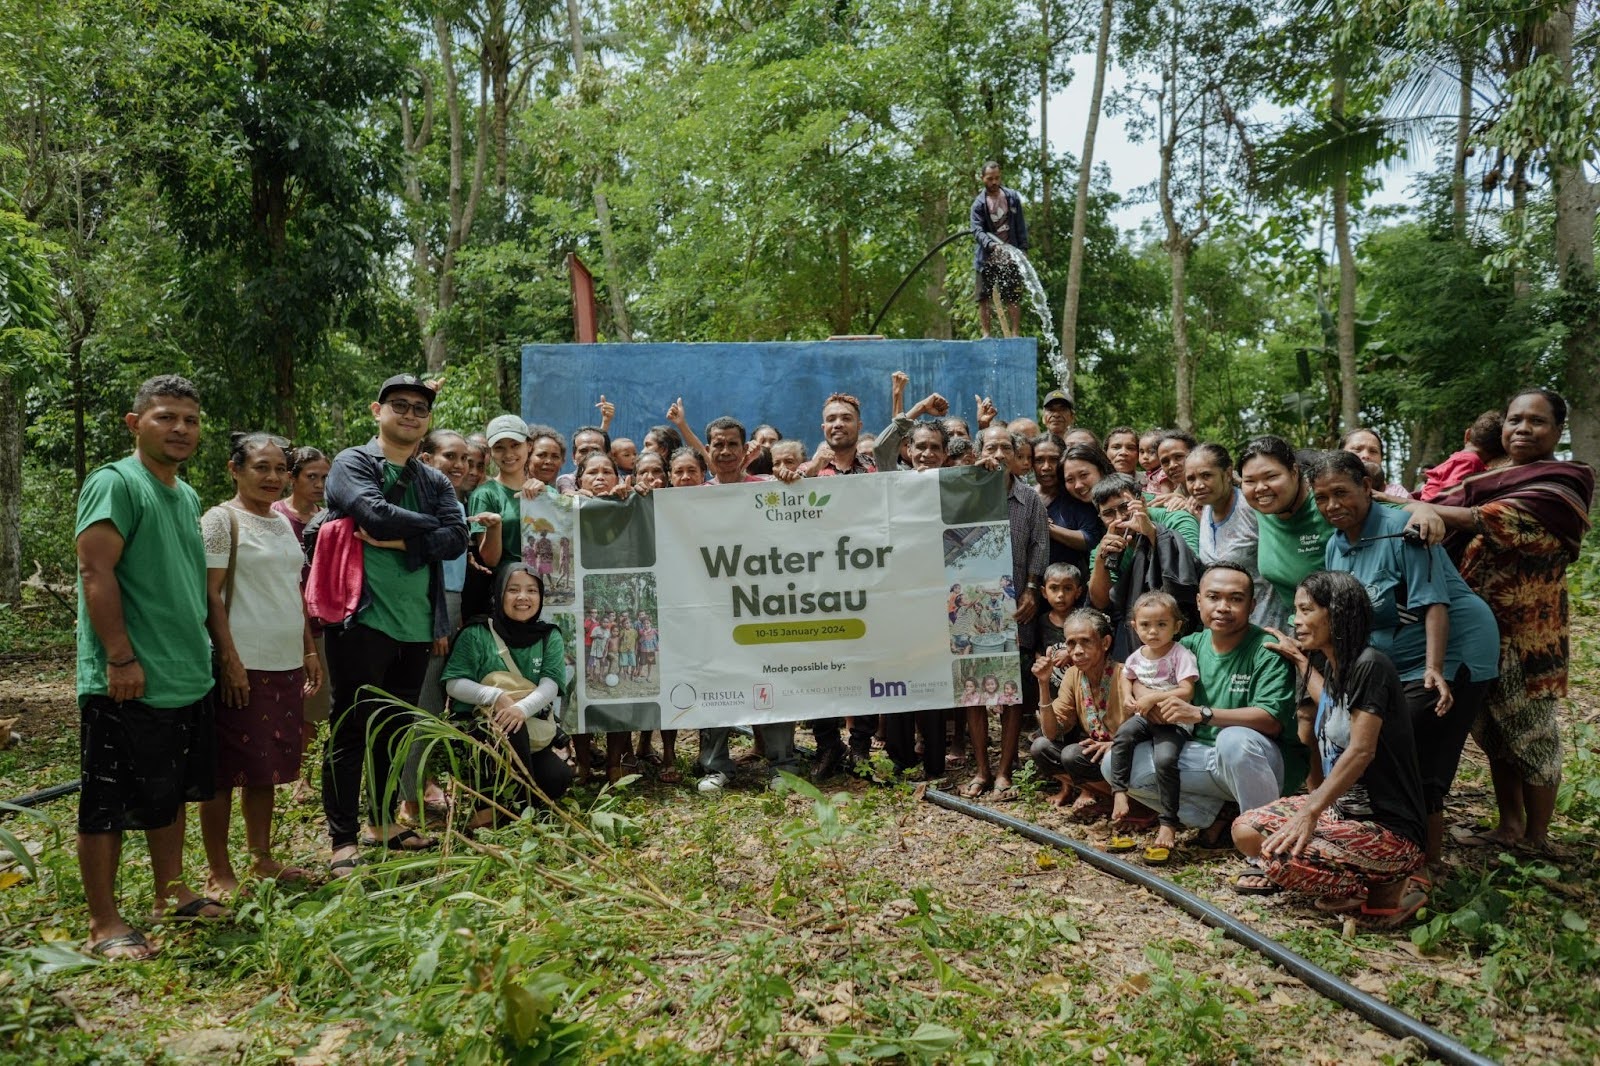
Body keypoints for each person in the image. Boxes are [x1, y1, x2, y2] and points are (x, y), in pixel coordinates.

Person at [74, 375, 222, 958]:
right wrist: (120, 656)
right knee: (107, 798)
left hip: (185, 670)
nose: (180, 428)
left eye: (189, 419)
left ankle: (172, 893)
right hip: (127, 674)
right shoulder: (116, 483)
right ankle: (104, 923)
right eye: (165, 417)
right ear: (136, 424)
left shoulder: (183, 493)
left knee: (173, 789)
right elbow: (95, 572)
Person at [1306, 448, 1499, 868]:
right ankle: (1386, 852)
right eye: (1321, 497)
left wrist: (1433, 667)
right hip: (1392, 660)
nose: (1332, 505)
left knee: (1412, 744)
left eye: (1341, 492)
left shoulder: (1404, 528)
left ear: (1367, 487)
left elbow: (1434, 603)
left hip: (1453, 652)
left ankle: (1423, 866)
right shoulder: (1336, 545)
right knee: (1378, 740)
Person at [1430, 388, 1594, 854]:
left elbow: (1490, 520)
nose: (1522, 429)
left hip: (1527, 637)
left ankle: (1539, 839)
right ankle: (1509, 825)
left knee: (1534, 737)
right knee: (1494, 734)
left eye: (1536, 421)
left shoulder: (1560, 486)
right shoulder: (1494, 474)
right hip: (1476, 633)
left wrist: (1412, 507)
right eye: (1514, 419)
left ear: (1558, 430)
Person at [321, 374, 468, 877]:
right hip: (360, 617)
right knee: (351, 728)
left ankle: (382, 823)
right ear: (376, 410)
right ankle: (342, 839)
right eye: (399, 405)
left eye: (419, 409)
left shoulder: (434, 479)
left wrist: (405, 541)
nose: (409, 414)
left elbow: (458, 539)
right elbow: (373, 515)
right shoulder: (353, 463)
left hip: (416, 623)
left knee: (395, 729)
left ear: (428, 422)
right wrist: (431, 528)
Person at [1233, 571, 1428, 926]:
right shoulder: (1340, 665)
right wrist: (1302, 661)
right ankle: (1356, 887)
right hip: (1342, 815)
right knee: (1246, 830)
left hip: (1388, 830)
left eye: (1306, 610)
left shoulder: (1372, 665)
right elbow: (1334, 712)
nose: (1296, 620)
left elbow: (1361, 750)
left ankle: (1389, 886)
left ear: (1336, 612)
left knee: (1278, 860)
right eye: (1296, 611)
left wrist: (1309, 811)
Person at [199, 433, 322, 896]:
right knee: (225, 770)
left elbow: (293, 589)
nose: (272, 478)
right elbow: (210, 594)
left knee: (264, 764)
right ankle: (219, 870)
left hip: (284, 661)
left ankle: (261, 857)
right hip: (242, 661)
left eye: (279, 470)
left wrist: (308, 649)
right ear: (235, 469)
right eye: (261, 468)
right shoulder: (220, 520)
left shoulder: (281, 523)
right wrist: (229, 659)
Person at [1108, 564, 1304, 854]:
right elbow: (1139, 674)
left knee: (1234, 739)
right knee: (1113, 762)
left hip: (1259, 762)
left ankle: (1263, 840)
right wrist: (1147, 698)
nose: (1222, 607)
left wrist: (1201, 713)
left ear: (1253, 605)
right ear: (1199, 601)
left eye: (1235, 599)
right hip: (1200, 755)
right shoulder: (1186, 645)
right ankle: (1213, 814)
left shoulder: (1266, 648)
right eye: (1213, 597)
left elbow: (1271, 721)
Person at [400, 428, 487, 827]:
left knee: (435, 706)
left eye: (464, 459)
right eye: (449, 456)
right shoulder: (417, 498)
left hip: (451, 606)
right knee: (424, 708)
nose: (459, 465)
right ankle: (410, 804)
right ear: (425, 457)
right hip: (430, 607)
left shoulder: (451, 499)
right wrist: (438, 622)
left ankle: (420, 788)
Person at [441, 564, 573, 825]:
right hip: (479, 733)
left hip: (528, 728)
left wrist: (520, 709)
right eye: (513, 590)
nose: (523, 597)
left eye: (531, 590)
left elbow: (550, 686)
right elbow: (453, 684)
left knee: (557, 776)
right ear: (499, 594)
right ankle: (513, 811)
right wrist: (495, 696)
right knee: (508, 723)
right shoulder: (476, 633)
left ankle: (506, 807)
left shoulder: (548, 636)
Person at [960, 425, 1049, 801]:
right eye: (990, 446)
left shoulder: (1030, 499)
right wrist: (974, 483)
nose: (997, 453)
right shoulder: (963, 492)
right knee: (975, 691)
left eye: (1004, 447)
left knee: (1011, 691)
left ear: (1016, 456)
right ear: (979, 451)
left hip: (1014, 606)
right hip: (973, 606)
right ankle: (981, 769)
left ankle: (1005, 770)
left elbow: (1039, 546)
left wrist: (1031, 589)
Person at [1105, 592, 1200, 863]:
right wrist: (1127, 697)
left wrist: (1153, 698)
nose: (1153, 631)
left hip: (1174, 721)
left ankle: (1168, 821)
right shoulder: (1137, 656)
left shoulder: (1180, 654)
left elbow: (1187, 690)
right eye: (1145, 625)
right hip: (1145, 718)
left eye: (1161, 624)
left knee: (1166, 759)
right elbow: (1127, 676)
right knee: (1122, 736)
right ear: (1135, 626)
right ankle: (1119, 793)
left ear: (1177, 626)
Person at [1086, 474, 1200, 662]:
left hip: (1184, 622)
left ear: (1141, 501)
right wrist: (1101, 559)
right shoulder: (1106, 545)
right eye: (1108, 514)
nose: (1120, 518)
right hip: (1140, 631)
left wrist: (1152, 533)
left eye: (1125, 507)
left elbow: (1192, 568)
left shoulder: (1176, 518)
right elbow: (1100, 601)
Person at [273, 446, 331, 802]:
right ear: (291, 477)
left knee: (313, 703)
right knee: (285, 702)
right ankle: (290, 775)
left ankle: (305, 777)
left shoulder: (326, 518)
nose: (320, 484)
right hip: (281, 621)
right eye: (312, 477)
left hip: (320, 624)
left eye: (325, 477)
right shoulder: (277, 517)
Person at [1030, 608, 1126, 817]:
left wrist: (1115, 744)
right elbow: (1051, 733)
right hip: (1101, 756)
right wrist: (1044, 684)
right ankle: (1111, 799)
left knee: (1072, 755)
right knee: (1041, 748)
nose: (1077, 651)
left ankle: (1138, 803)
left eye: (1086, 642)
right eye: (1071, 643)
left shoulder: (1125, 674)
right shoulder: (1073, 675)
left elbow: (1145, 726)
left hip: (1128, 754)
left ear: (1105, 643)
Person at [1187, 443, 1283, 630]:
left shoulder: (1252, 508)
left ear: (1227, 473)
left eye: (1206, 475)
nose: (1198, 485)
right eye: (1191, 478)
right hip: (1226, 627)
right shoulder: (1205, 510)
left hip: (1268, 626)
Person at [466, 414, 530, 618]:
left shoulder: (546, 493)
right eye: (499, 447)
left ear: (529, 446)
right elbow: (490, 560)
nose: (508, 453)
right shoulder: (485, 494)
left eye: (514, 445)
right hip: (506, 593)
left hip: (546, 591)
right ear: (490, 453)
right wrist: (495, 526)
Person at [970, 160, 1028, 338]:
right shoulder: (979, 205)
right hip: (987, 258)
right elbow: (976, 230)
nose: (994, 182)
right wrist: (990, 244)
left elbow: (1020, 226)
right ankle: (986, 334)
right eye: (990, 179)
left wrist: (1023, 248)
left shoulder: (1011, 198)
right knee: (983, 297)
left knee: (1013, 296)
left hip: (1010, 255)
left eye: (997, 178)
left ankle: (1015, 333)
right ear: (982, 179)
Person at [1035, 437, 1103, 575]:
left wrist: (1047, 528)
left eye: (1053, 459)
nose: (1046, 466)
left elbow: (1091, 539)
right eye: (1039, 460)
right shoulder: (1024, 495)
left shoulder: (1078, 497)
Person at [1418, 410, 1505, 502]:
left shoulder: (1468, 460)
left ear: (1467, 435)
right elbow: (1452, 494)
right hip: (1431, 507)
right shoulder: (1469, 460)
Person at [1342, 428, 1411, 499]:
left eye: (1373, 451)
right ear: (1340, 455)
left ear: (1381, 459)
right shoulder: (1330, 489)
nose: (1366, 455)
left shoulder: (1397, 493)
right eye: (1357, 449)